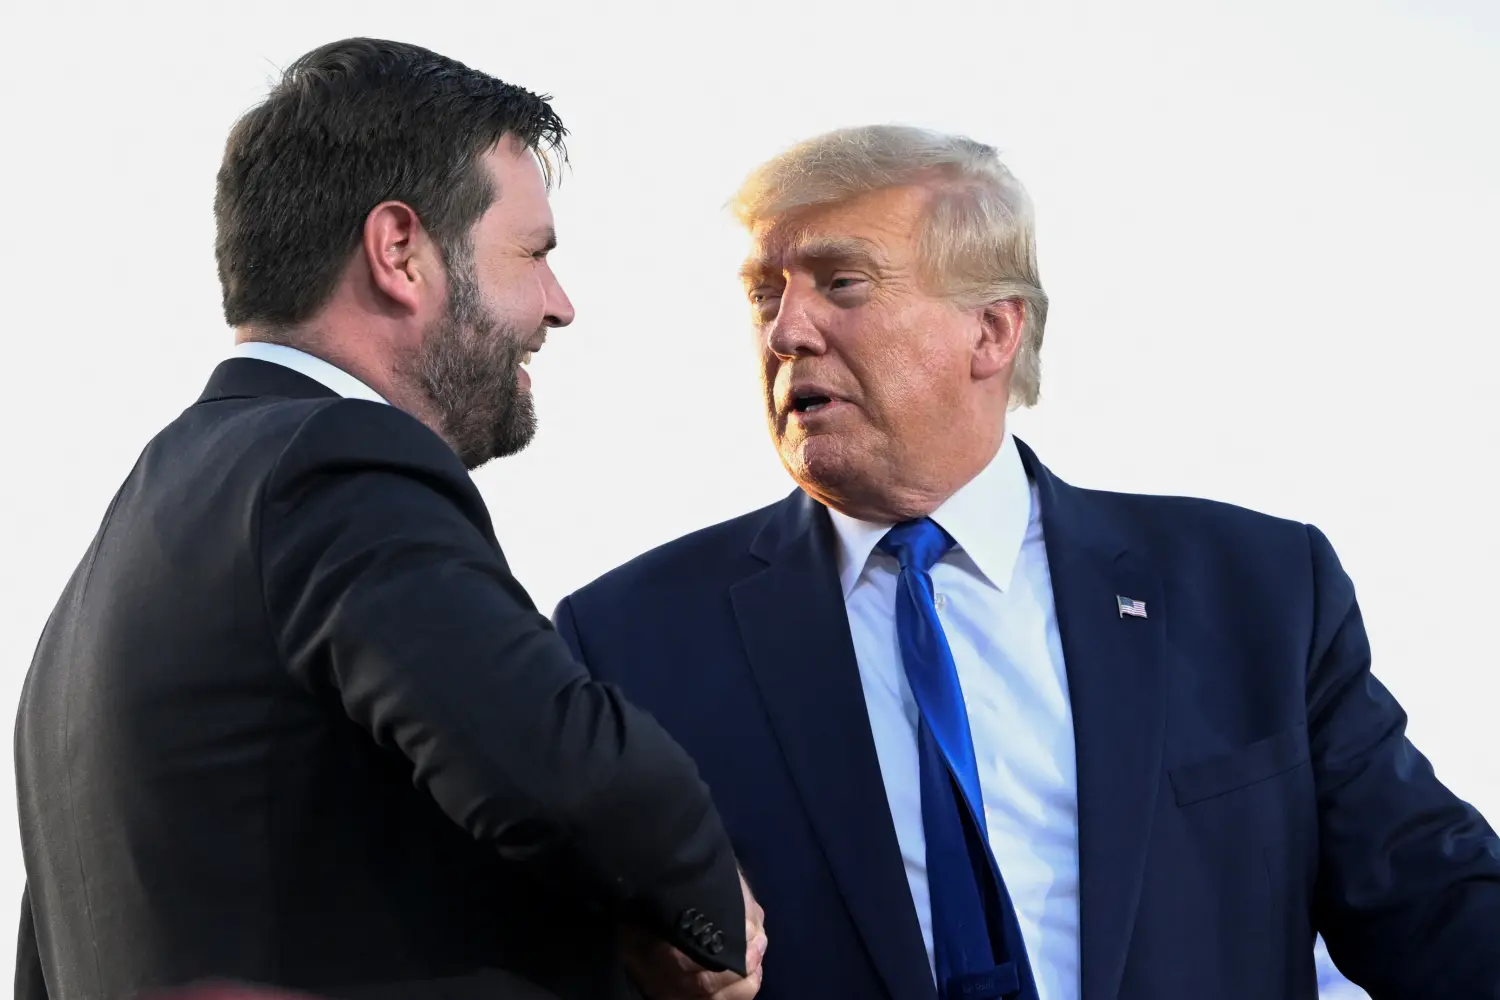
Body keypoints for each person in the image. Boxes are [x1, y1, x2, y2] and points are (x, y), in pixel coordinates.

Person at [551, 124, 1500, 1000]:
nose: (786, 331)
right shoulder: (632, 639)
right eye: (767, 292)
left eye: (841, 284)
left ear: (993, 332)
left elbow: (1432, 899)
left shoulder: (1255, 589)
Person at [13, 38, 765, 1000]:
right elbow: (567, 768)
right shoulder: (335, 465)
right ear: (400, 252)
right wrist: (703, 908)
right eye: (532, 255)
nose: (559, 305)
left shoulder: (105, 577)